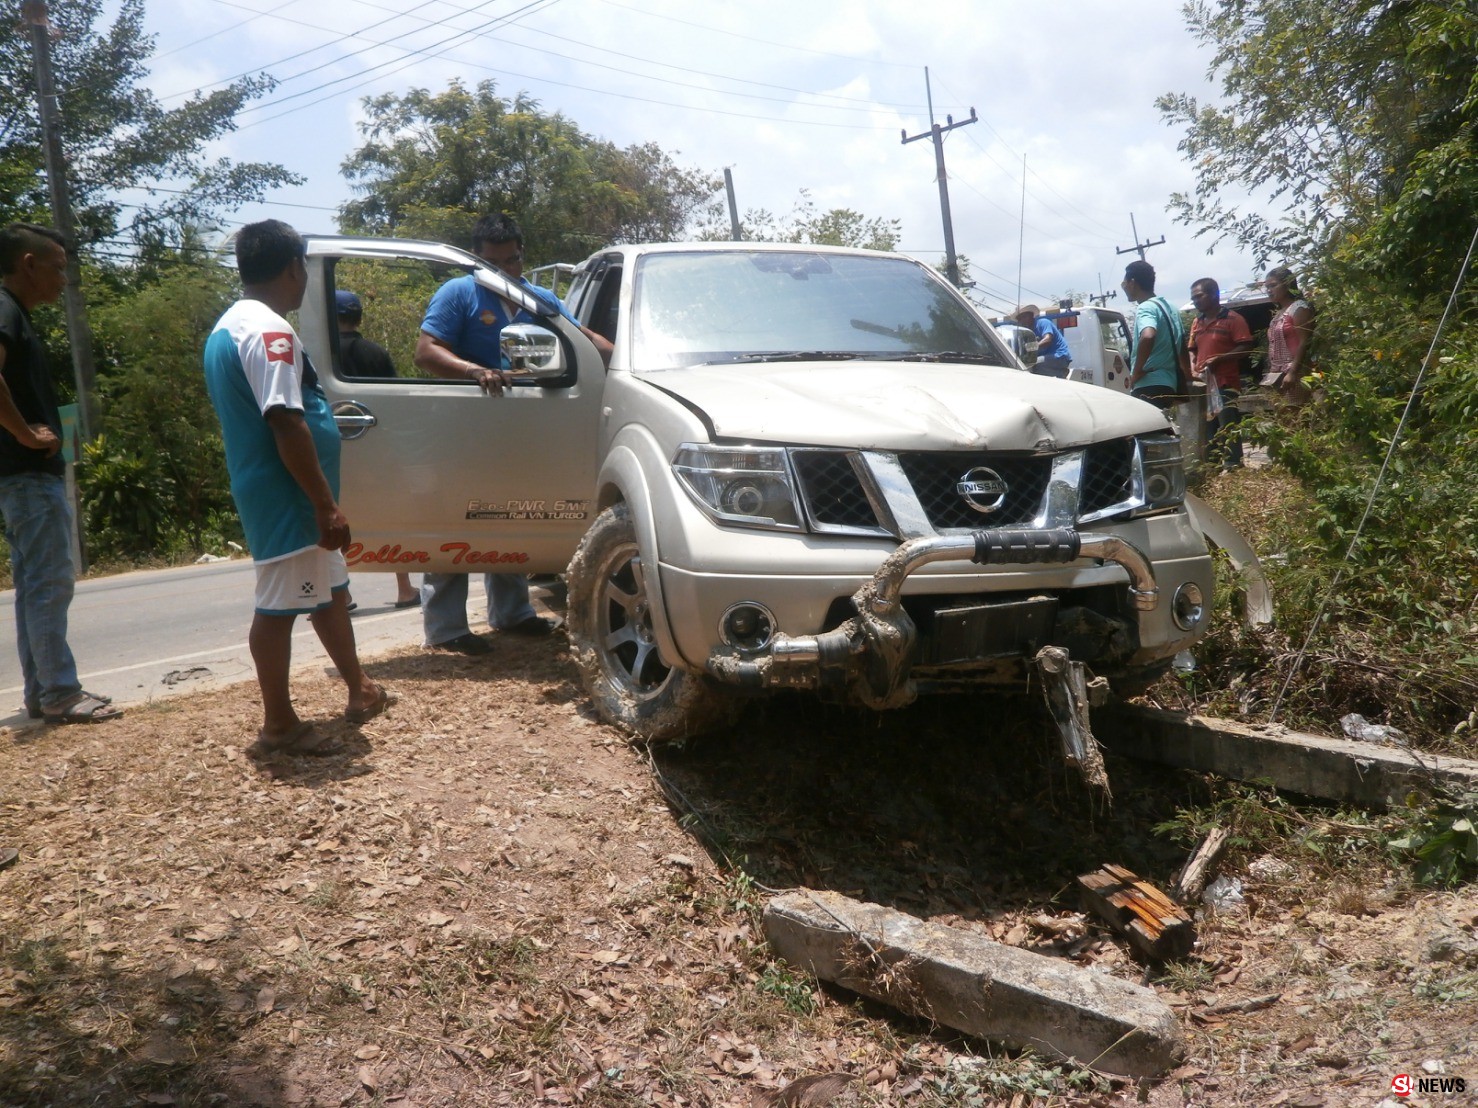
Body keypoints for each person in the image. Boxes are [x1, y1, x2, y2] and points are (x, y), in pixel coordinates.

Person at [203, 220, 393, 755]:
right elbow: (285, 420)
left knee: (329, 591)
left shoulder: (233, 325)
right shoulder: (269, 332)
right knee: (279, 606)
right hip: (287, 495)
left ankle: (360, 689)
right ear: (293, 267)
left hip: (282, 489)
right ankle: (279, 725)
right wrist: (324, 505)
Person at [413, 213, 613, 655]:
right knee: (455, 517)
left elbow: (584, 338)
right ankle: (446, 629)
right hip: (465, 429)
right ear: (476, 260)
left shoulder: (539, 298)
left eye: (512, 260)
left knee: (507, 514)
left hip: (521, 430)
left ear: (522, 254)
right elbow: (426, 352)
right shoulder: (458, 293)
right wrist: (475, 371)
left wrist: (630, 361)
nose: (505, 271)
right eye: (493, 264)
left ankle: (512, 613)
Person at [0, 223, 121, 726]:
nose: (63, 280)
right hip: (27, 475)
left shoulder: (14, 314)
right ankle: (60, 693)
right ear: (29, 263)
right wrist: (27, 434)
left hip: (20, 479)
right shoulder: (6, 310)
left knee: (35, 585)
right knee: (50, 583)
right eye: (58, 268)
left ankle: (43, 690)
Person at [335, 289, 419, 609]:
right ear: (359, 318)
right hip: (379, 448)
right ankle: (404, 588)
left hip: (338, 446)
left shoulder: (318, 356)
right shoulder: (376, 353)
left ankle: (342, 594)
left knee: (340, 515)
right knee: (393, 515)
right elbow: (395, 404)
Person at [1188, 278, 1255, 469]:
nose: (1196, 301)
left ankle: (1233, 464)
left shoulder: (1233, 319)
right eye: (1193, 298)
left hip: (1225, 381)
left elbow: (1246, 346)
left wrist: (1220, 359)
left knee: (1228, 424)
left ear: (1213, 294)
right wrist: (1193, 365)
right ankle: (1212, 464)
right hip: (1204, 383)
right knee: (1208, 425)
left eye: (1199, 296)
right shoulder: (1197, 322)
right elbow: (1192, 348)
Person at [1121, 259, 1187, 410]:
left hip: (1148, 385)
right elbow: (1182, 342)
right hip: (1170, 385)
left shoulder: (1146, 307)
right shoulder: (1171, 307)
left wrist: (1136, 372)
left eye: (1124, 283)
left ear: (1132, 283)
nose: (1124, 287)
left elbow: (1148, 335)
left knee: (1143, 432)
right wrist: (1188, 374)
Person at [1263, 266, 1314, 404]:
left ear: (1287, 285)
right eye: (1267, 287)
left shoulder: (1299, 308)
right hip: (1278, 375)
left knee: (1296, 414)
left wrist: (1292, 373)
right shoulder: (1278, 314)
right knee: (1283, 417)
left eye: (1273, 285)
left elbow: (1304, 342)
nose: (1269, 290)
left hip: (1296, 372)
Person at [1014, 304, 1072, 378]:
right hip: (1048, 359)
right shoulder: (1027, 333)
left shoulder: (1043, 323)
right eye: (1019, 319)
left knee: (1033, 366)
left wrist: (1029, 348)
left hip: (1060, 356)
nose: (1022, 321)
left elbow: (1047, 339)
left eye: (1024, 317)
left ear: (1031, 315)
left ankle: (1061, 373)